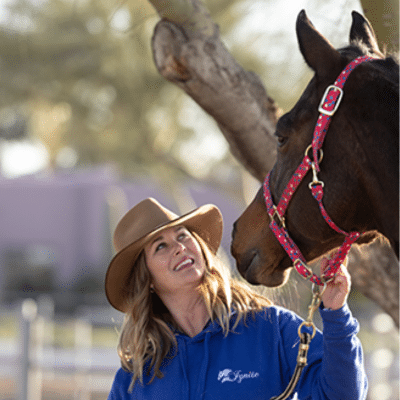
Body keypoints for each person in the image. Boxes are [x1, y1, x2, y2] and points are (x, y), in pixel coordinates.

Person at [105, 197, 367, 400]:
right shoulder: (135, 378)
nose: (179, 248)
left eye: (183, 235)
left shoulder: (270, 327)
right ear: (147, 279)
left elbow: (342, 395)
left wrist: (336, 313)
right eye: (160, 246)